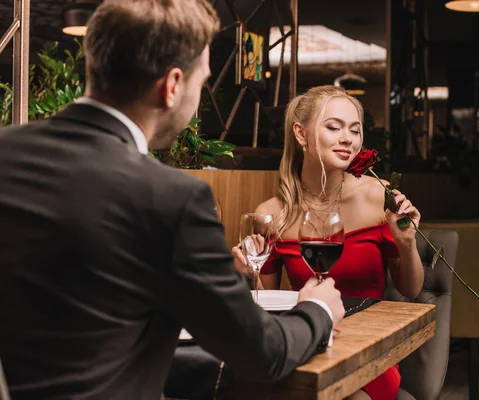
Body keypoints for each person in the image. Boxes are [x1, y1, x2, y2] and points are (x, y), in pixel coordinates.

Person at [0, 1, 345, 399]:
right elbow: (262, 352)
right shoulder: (170, 198)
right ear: (173, 86)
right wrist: (316, 310)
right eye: (202, 84)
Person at [232, 85, 425, 400]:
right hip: (308, 345)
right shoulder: (271, 214)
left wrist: (406, 242)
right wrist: (247, 274)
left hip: (370, 350)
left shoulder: (379, 195)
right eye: (333, 127)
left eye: (355, 130)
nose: (347, 138)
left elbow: (411, 289)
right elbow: (266, 306)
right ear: (301, 133)